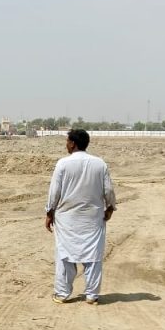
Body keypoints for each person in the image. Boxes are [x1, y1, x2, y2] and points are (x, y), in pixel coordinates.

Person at [45, 129, 116, 304]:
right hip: (93, 219)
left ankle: (62, 294)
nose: (66, 144)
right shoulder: (99, 164)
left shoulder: (63, 164)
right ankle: (92, 295)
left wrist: (49, 212)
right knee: (93, 256)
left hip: (67, 219)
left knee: (65, 256)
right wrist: (110, 208)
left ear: (73, 144)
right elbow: (108, 190)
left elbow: (54, 192)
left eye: (67, 141)